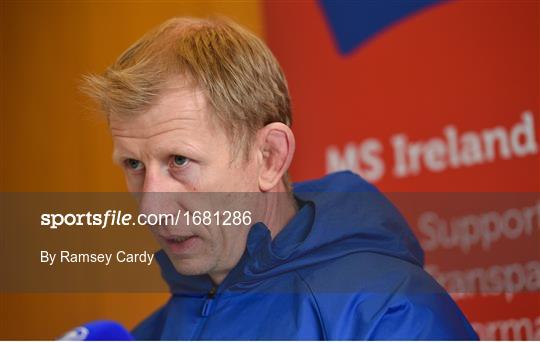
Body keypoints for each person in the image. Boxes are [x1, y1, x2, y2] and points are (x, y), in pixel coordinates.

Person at [83, 17, 478, 340]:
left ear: (270, 157)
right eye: (133, 165)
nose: (152, 208)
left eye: (180, 161)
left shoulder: (389, 314)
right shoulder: (149, 335)